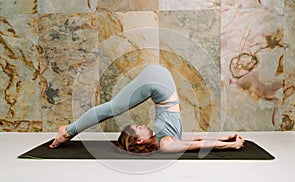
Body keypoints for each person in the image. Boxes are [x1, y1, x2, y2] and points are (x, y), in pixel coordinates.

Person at [49, 65, 245, 153]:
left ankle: (67, 131)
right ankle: (67, 131)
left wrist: (229, 144)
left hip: (157, 82)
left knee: (114, 108)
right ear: (141, 139)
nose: (142, 123)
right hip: (158, 81)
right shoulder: (167, 143)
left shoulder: (165, 141)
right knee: (113, 108)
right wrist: (226, 140)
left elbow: (198, 143)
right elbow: (198, 142)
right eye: (138, 127)